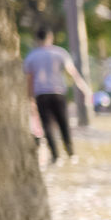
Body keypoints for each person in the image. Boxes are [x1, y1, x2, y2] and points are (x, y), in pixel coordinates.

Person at [23, 28, 91, 166]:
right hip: (58, 92)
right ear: (50, 37)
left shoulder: (32, 56)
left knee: (46, 125)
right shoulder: (59, 52)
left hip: (41, 94)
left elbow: (29, 79)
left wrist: (30, 97)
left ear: (37, 39)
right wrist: (84, 88)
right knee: (63, 123)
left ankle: (55, 156)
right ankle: (71, 153)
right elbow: (72, 73)